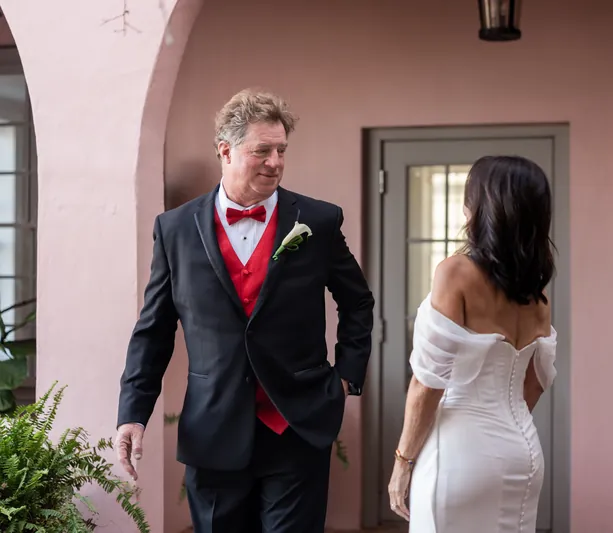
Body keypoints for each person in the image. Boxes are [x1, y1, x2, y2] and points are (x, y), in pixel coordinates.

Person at [114, 88, 374, 533]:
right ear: (226, 150)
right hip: (213, 430)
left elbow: (357, 301)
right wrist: (133, 412)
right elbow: (154, 329)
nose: (275, 162)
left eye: (281, 150)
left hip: (297, 425)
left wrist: (346, 374)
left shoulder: (319, 220)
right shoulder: (174, 230)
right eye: (262, 151)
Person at [387, 155, 558, 532]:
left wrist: (403, 462)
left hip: (459, 453)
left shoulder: (455, 272)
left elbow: (427, 384)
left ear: (482, 208)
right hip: (523, 455)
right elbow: (534, 385)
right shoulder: (537, 298)